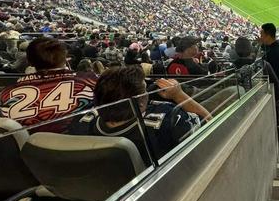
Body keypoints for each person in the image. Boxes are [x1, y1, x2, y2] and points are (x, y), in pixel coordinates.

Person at [69, 66, 208, 164]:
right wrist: (178, 95)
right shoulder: (168, 118)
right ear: (140, 104)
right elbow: (211, 124)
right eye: (144, 89)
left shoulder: (82, 120)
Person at [0, 37, 97, 131]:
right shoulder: (89, 80)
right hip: (81, 142)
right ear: (65, 59)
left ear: (29, 61)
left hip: (29, 144)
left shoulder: (7, 92)